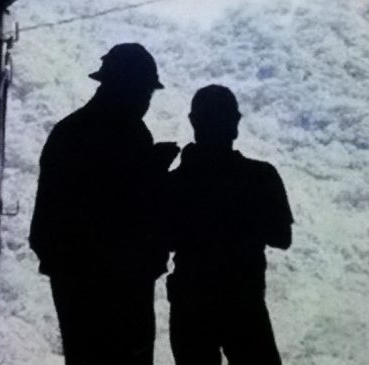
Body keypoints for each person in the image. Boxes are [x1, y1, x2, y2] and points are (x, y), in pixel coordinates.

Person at [29, 43, 179, 365]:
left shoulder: (69, 131)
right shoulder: (131, 135)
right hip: (121, 281)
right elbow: (123, 206)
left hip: (76, 278)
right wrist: (154, 170)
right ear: (126, 88)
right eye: (144, 92)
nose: (145, 101)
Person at [165, 85, 293, 365]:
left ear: (194, 122)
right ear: (235, 124)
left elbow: (162, 239)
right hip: (244, 302)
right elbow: (282, 236)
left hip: (191, 302)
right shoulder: (261, 176)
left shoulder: (174, 183)